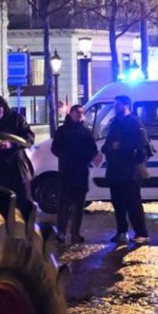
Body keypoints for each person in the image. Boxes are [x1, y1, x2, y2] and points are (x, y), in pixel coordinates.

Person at [101, 94, 151, 245]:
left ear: (125, 105)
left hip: (130, 172)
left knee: (133, 203)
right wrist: (111, 148)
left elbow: (141, 147)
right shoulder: (115, 123)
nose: (114, 108)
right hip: (116, 171)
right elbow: (106, 145)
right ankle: (121, 232)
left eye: (117, 105)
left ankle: (141, 233)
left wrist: (120, 147)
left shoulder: (135, 123)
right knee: (118, 203)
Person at [52, 103, 99, 246]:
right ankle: (61, 233)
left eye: (81, 113)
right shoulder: (62, 131)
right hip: (66, 173)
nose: (80, 115)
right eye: (77, 112)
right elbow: (55, 148)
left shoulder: (86, 132)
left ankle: (75, 233)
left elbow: (93, 150)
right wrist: (67, 157)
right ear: (71, 114)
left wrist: (86, 158)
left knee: (78, 206)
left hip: (81, 173)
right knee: (63, 205)